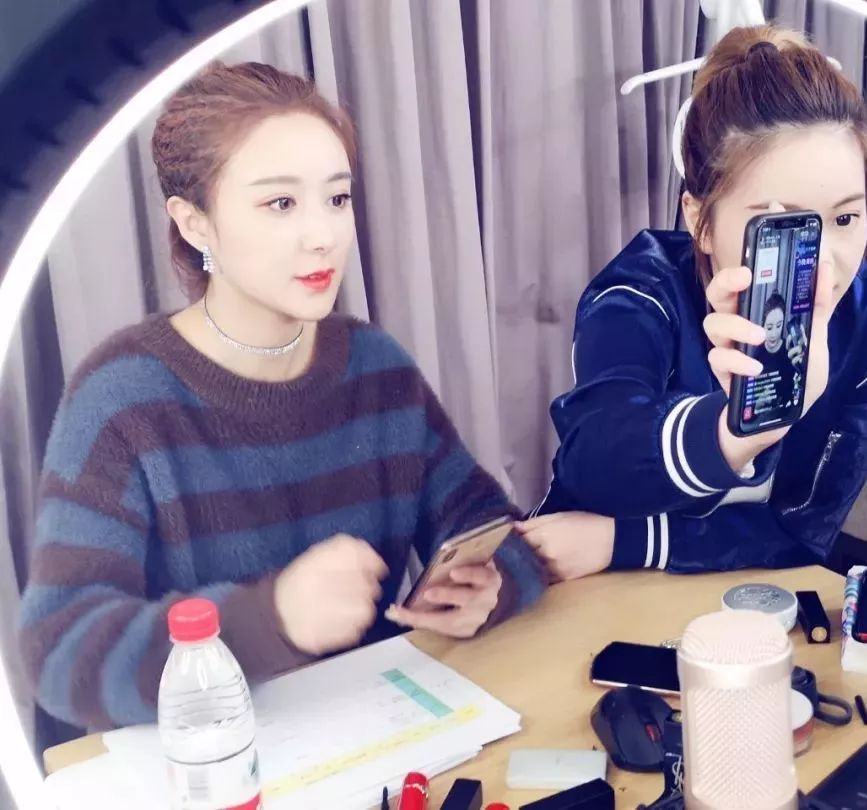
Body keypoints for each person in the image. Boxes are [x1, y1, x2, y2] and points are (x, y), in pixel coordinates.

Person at [18, 61, 547, 730]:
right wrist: (266, 621)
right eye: (280, 204)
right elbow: (59, 653)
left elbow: (497, 530)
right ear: (195, 223)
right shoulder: (121, 397)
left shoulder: (376, 369)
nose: (323, 235)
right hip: (207, 758)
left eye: (337, 198)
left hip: (376, 736)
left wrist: (488, 589)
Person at [519, 25, 867, 582]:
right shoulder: (639, 294)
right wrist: (731, 430)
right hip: (583, 583)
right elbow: (596, 466)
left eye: (845, 218)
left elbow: (806, 530)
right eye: (781, 227)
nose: (822, 265)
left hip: (737, 595)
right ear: (700, 220)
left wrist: (626, 541)